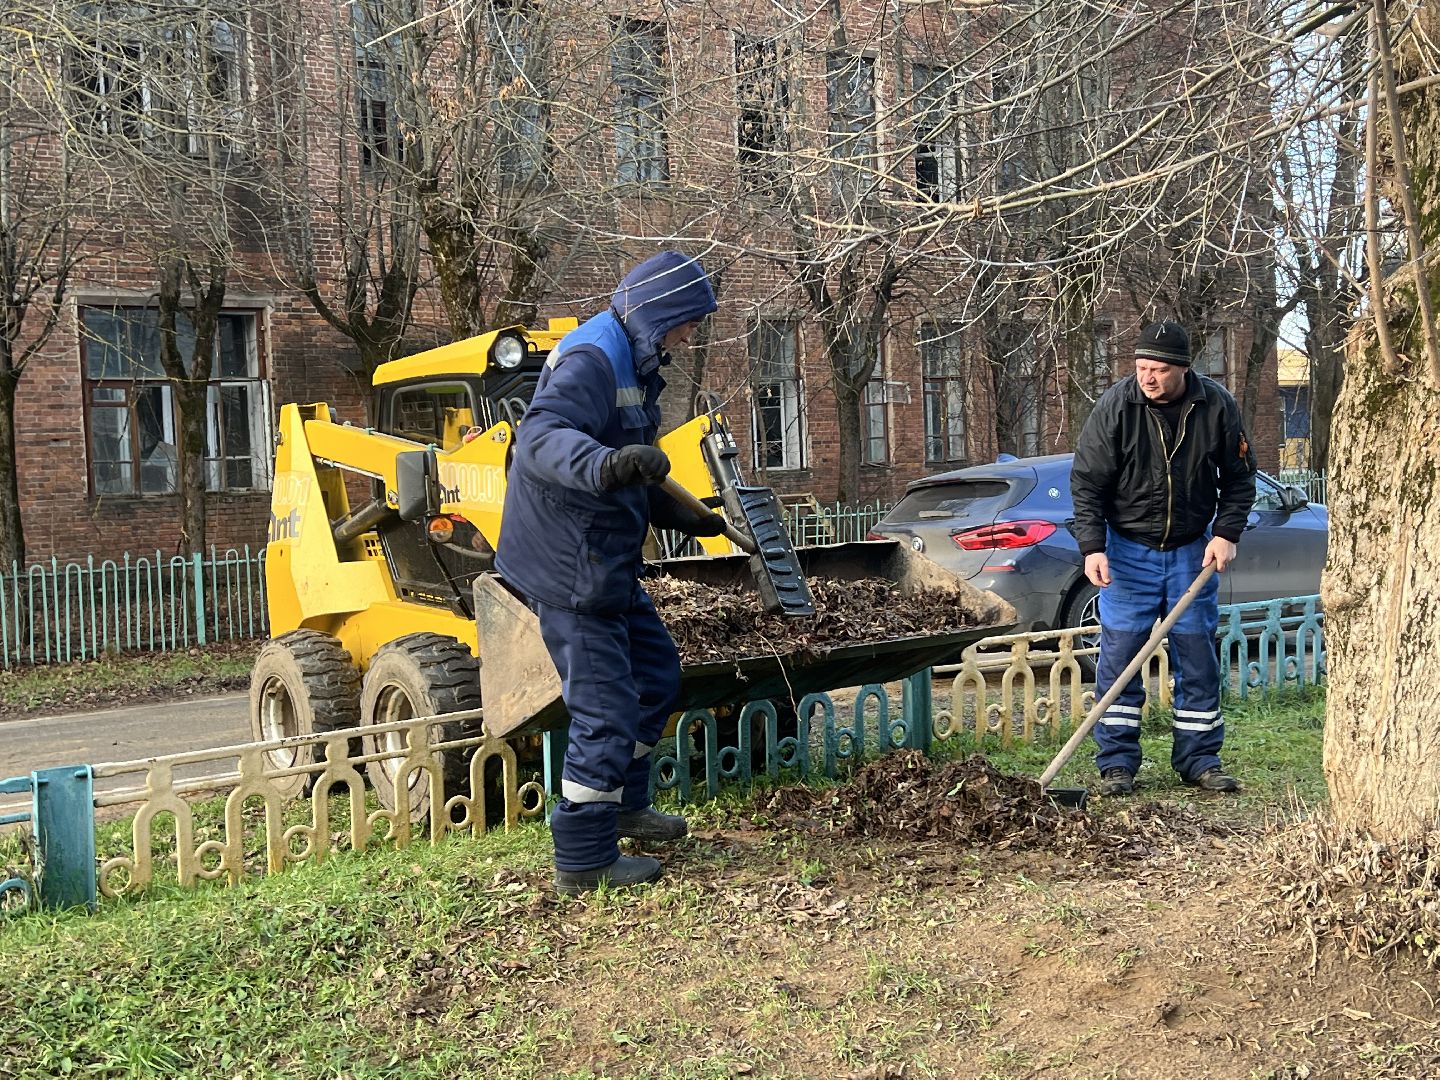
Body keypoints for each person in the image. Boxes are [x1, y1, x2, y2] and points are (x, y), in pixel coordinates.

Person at [495, 250, 726, 895]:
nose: (689, 337)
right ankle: (585, 857)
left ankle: (625, 806)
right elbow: (539, 440)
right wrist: (606, 466)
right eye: (685, 323)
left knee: (656, 675)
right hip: (569, 564)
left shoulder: (637, 360)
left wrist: (693, 519)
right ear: (658, 313)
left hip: (606, 558)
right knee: (604, 706)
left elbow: (634, 466)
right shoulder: (592, 358)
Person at [1070, 319, 1257, 796]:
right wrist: (1093, 546)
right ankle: (1116, 764)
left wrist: (1226, 533)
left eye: (1156, 369)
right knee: (1120, 660)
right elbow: (1088, 484)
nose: (1146, 378)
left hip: (1193, 553)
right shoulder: (1116, 406)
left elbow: (1239, 479)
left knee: (1197, 660)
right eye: (1140, 367)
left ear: (1183, 369)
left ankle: (1199, 760)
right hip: (1128, 551)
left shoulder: (1215, 405)